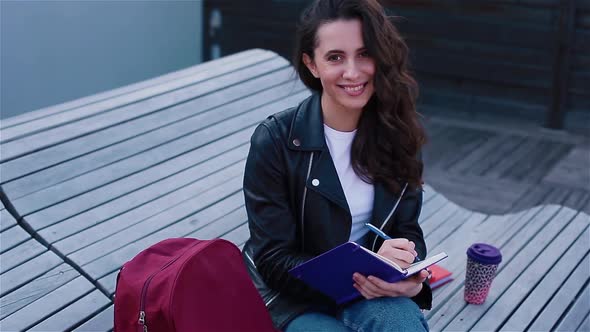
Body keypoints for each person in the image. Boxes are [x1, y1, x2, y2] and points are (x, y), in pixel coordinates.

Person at [241, 0, 431, 330]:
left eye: (364, 54)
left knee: (402, 325)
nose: (353, 72)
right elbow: (272, 260)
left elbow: (406, 232)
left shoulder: (397, 134)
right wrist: (364, 273)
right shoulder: (275, 141)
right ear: (311, 64)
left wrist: (411, 278)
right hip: (292, 297)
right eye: (335, 57)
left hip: (371, 291)